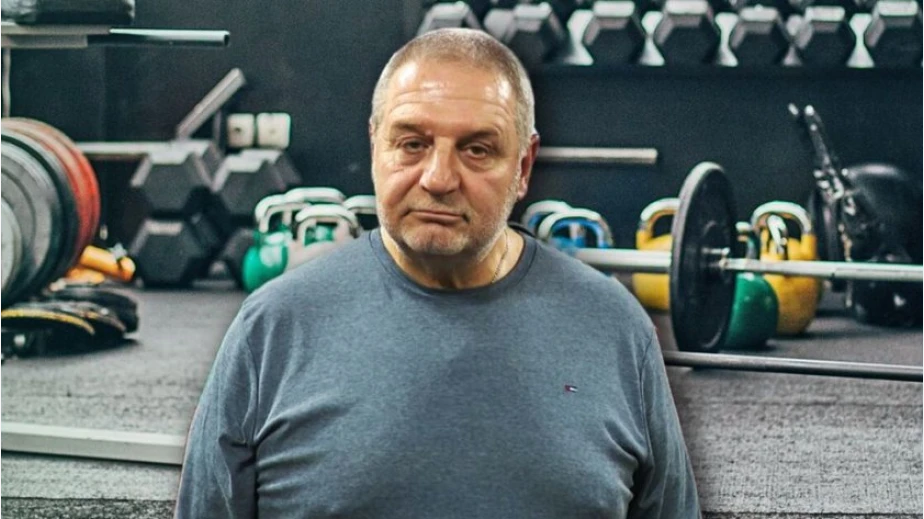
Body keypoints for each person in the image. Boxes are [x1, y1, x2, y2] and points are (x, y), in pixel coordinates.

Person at [175, 27, 701, 518]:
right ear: (376, 146)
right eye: (412, 144)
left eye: (477, 150)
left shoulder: (613, 328)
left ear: (523, 167)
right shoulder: (273, 328)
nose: (439, 178)